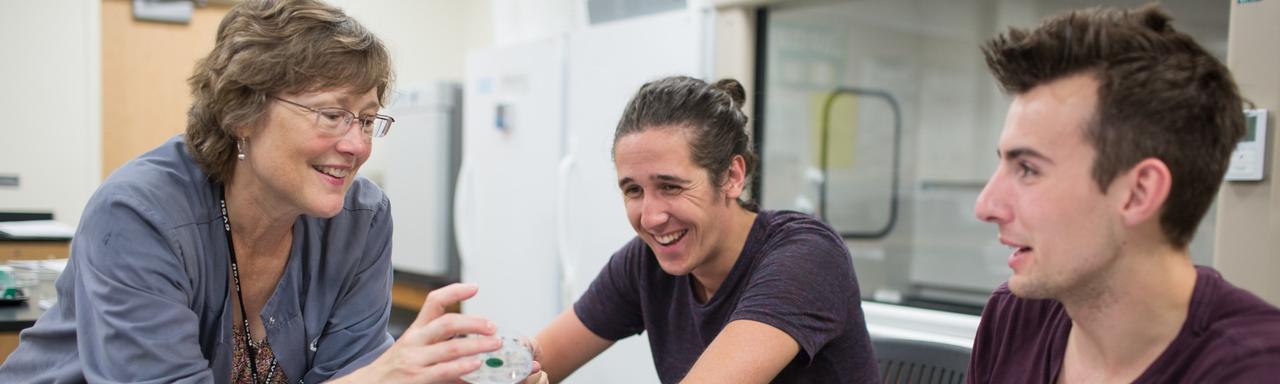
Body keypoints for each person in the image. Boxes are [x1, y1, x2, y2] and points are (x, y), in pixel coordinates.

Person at [0, 1, 506, 382]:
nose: (357, 145)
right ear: (243, 113)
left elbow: (348, 372)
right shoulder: (138, 214)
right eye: (333, 115)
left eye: (370, 120)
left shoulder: (362, 219)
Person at [968, 4, 1280, 383]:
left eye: (1028, 170)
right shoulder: (1015, 320)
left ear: (1138, 193)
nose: (986, 206)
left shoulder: (1256, 369)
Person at [532, 76, 878, 383]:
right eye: (633, 190)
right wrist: (489, 361)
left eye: (670, 187)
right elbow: (534, 361)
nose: (650, 218)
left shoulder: (807, 257)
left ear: (731, 177)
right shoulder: (646, 265)